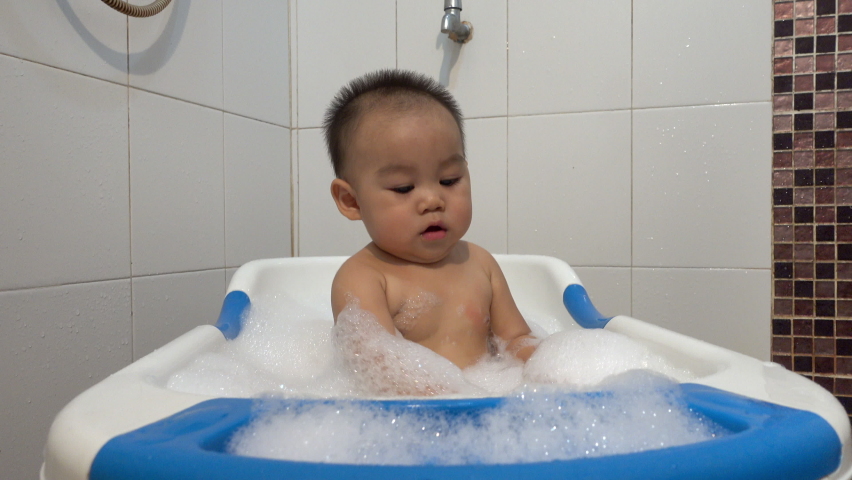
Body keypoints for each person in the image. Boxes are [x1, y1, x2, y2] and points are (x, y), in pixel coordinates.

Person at [323, 69, 536, 391]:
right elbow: (377, 369)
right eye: (404, 187)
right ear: (351, 201)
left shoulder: (479, 263)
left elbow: (516, 339)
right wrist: (455, 398)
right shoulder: (363, 278)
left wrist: (546, 369)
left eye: (449, 180)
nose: (433, 200)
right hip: (414, 412)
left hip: (488, 398)